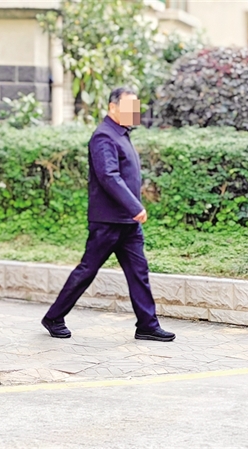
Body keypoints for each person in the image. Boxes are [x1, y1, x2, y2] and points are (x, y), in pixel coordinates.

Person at [41, 87, 175, 342]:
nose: (134, 113)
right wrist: (135, 206)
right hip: (108, 221)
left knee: (139, 272)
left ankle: (147, 325)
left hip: (127, 223)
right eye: (129, 107)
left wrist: (132, 209)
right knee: (87, 270)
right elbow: (108, 176)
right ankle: (54, 317)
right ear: (113, 108)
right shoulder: (103, 136)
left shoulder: (121, 134)